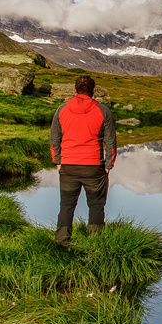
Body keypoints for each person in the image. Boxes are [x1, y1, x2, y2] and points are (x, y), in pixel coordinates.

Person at [49, 75, 117, 242]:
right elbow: (111, 142)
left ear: (74, 90)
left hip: (68, 166)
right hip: (94, 167)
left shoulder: (62, 109)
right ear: (94, 91)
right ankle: (95, 241)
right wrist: (108, 164)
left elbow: (54, 138)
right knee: (96, 206)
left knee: (66, 205)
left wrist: (57, 161)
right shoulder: (103, 111)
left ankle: (61, 242)